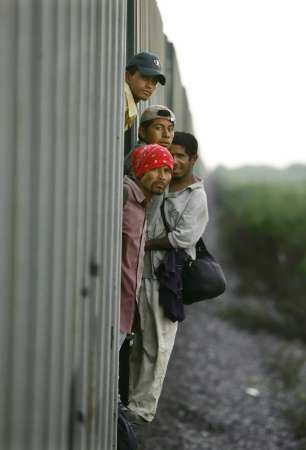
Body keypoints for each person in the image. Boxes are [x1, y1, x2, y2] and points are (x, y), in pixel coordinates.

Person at [126, 131, 209, 423]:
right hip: (139, 271)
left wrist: (144, 243)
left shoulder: (195, 197)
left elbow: (182, 237)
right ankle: (131, 401)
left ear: (193, 159)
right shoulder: (161, 183)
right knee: (139, 343)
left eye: (181, 156)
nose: (174, 161)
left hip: (166, 279)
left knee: (158, 346)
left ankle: (141, 410)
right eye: (170, 154)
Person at [120, 144, 174, 349]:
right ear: (141, 169)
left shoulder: (143, 204)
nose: (162, 176)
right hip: (108, 304)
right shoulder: (125, 197)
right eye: (155, 169)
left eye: (167, 170)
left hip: (125, 308)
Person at [124, 104, 176, 175]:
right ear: (142, 131)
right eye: (158, 128)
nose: (166, 135)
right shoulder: (143, 156)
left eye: (170, 129)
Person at [125, 52, 166, 131]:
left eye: (154, 82)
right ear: (127, 77)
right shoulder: (121, 103)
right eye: (145, 78)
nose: (150, 86)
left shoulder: (129, 105)